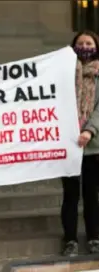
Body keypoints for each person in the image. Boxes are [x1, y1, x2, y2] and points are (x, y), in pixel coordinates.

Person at [61, 30, 99, 257]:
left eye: (89, 43)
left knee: (92, 194)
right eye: (80, 43)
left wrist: (89, 130)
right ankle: (70, 240)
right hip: (68, 144)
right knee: (70, 195)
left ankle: (94, 237)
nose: (84, 46)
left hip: (93, 144)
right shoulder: (64, 72)